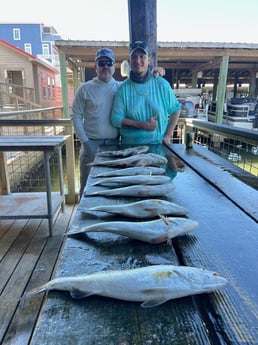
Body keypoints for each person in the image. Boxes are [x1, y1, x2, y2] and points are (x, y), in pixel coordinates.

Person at [70, 47, 120, 198]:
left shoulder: (121, 87)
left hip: (114, 145)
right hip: (90, 145)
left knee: (111, 187)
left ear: (114, 66)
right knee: (87, 188)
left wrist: (155, 73)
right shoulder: (85, 88)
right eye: (101, 63)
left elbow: (142, 83)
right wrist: (86, 142)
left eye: (109, 63)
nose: (105, 66)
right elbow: (75, 115)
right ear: (95, 66)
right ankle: (82, 219)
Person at [111, 41, 181, 145]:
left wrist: (167, 135)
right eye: (134, 57)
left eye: (142, 56)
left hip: (158, 148)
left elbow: (176, 109)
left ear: (149, 59)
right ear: (129, 61)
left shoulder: (162, 84)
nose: (138, 60)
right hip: (130, 150)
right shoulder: (123, 89)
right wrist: (143, 125)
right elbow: (116, 119)